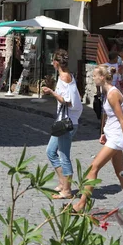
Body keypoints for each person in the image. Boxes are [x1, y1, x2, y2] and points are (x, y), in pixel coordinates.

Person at [72, 65, 123, 212]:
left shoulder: (113, 94)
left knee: (93, 167)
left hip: (116, 138)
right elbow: (109, 117)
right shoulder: (107, 93)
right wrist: (104, 133)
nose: (93, 78)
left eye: (95, 75)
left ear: (102, 77)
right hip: (112, 136)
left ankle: (81, 204)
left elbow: (122, 120)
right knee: (121, 173)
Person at [41, 49, 83, 199]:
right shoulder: (63, 75)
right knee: (50, 151)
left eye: (53, 60)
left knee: (64, 156)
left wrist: (51, 92)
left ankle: (67, 190)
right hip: (62, 121)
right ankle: (62, 182)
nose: (52, 63)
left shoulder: (65, 77)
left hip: (68, 122)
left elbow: (67, 101)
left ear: (56, 62)